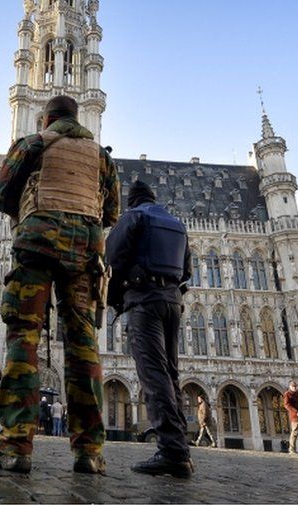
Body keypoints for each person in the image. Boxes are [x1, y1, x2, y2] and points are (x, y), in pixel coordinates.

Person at [0, 95, 120, 475]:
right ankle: (89, 452)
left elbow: (1, 196)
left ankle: (15, 447)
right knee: (83, 346)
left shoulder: (31, 144)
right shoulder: (101, 157)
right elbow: (111, 213)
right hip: (84, 254)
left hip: (36, 247)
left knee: (23, 338)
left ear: (46, 119)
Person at [106, 180, 193, 479]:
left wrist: (114, 297)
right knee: (170, 374)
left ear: (132, 201)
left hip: (144, 301)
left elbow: (112, 260)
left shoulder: (134, 217)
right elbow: (187, 270)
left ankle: (172, 452)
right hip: (173, 302)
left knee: (153, 376)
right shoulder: (177, 225)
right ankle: (180, 449)